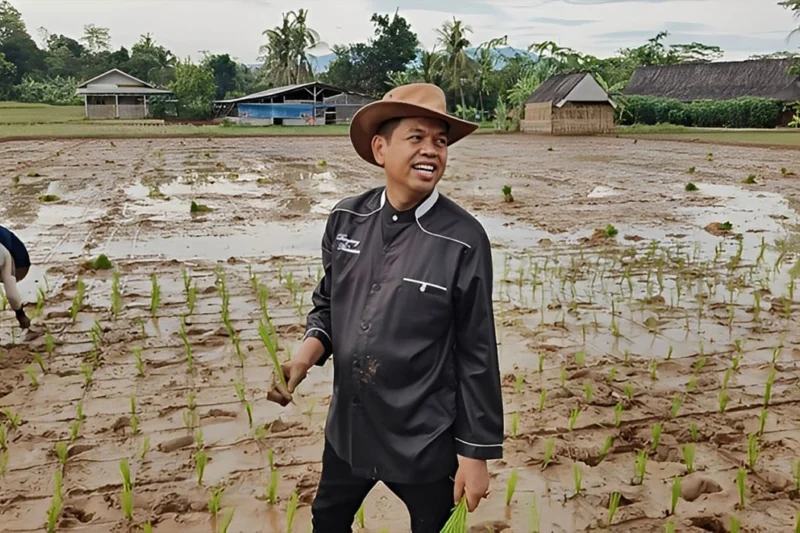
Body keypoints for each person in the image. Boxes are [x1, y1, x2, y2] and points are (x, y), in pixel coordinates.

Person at [267, 83, 504, 533]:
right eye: (416, 138)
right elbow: (329, 306)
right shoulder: (346, 219)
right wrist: (304, 356)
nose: (431, 151)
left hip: (423, 437)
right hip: (350, 428)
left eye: (440, 141)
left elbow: (477, 353)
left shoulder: (462, 239)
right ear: (381, 148)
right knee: (327, 521)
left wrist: (475, 453)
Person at [0, 225, 31, 329]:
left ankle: (21, 315)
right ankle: (21, 314)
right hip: (8, 256)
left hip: (17, 264)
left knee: (11, 292)